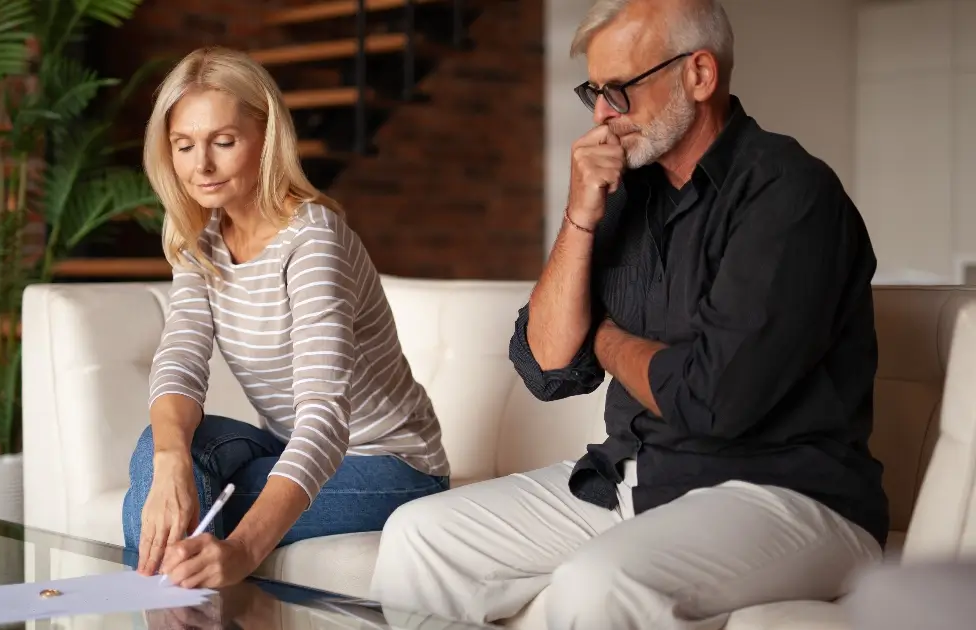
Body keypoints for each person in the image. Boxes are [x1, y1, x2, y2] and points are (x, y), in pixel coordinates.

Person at [369, 0, 889, 628]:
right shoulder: (625, 193)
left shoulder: (790, 196)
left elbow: (712, 402)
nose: (602, 115)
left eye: (620, 90)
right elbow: (546, 364)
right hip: (636, 475)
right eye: (594, 90)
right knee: (420, 536)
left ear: (699, 75)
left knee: (597, 583)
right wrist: (581, 213)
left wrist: (607, 337)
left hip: (787, 495)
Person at [123, 46, 450, 589]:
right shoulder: (198, 239)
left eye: (223, 142)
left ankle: (154, 610)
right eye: (184, 146)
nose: (200, 165)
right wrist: (171, 457)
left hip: (391, 463)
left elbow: (324, 419)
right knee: (159, 454)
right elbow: (180, 358)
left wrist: (243, 551)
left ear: (266, 138)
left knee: (185, 503)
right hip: (282, 442)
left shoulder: (312, 240)